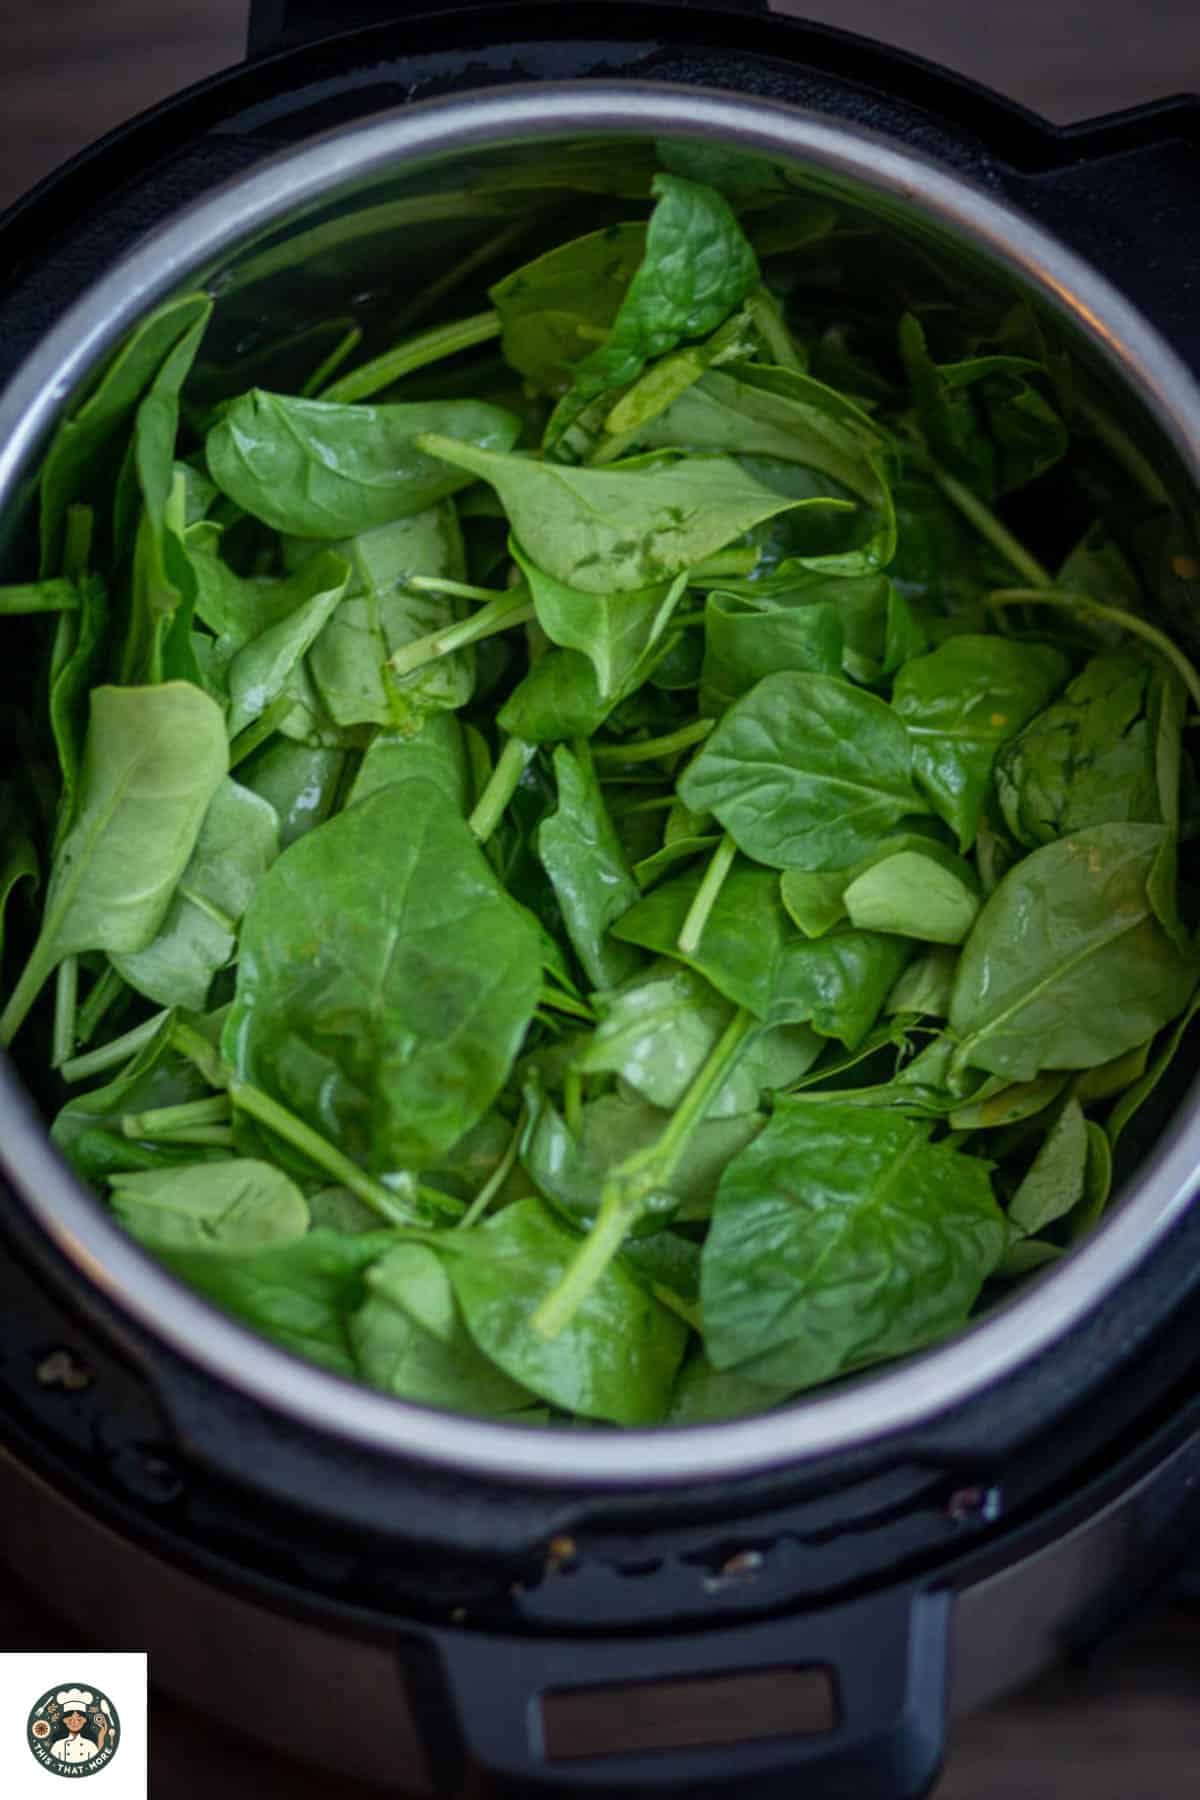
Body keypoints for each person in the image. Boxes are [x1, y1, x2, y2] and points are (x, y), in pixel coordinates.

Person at [50, 1689, 102, 1764]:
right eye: (70, 1719)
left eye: (79, 1719)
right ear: (64, 1721)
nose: (75, 1723)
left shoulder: (90, 1745)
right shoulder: (58, 1745)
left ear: (85, 1721)